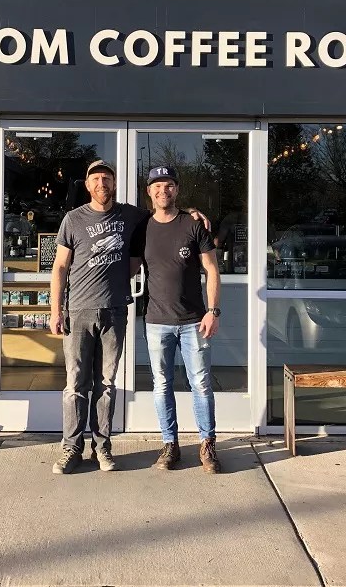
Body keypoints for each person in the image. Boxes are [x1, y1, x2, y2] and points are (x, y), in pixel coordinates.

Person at [50, 159, 146, 474]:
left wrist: (194, 214)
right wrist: (55, 310)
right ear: (87, 185)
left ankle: (102, 449)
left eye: (107, 178)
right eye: (96, 179)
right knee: (76, 384)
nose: (101, 183)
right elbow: (60, 267)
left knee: (106, 383)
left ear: (114, 183)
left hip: (115, 311)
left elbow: (165, 216)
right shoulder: (73, 219)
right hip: (78, 311)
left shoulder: (131, 215)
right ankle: (71, 449)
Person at [140, 166, 223, 474]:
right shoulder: (142, 226)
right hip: (156, 321)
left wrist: (213, 311)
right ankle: (170, 443)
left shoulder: (193, 224)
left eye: (169, 185)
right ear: (149, 191)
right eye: (157, 186)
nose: (163, 190)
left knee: (200, 384)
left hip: (193, 322)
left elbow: (212, 270)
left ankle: (207, 444)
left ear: (177, 189)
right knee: (161, 384)